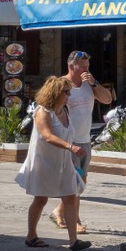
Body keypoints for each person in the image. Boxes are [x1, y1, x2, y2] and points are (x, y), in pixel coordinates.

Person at [16, 76, 91, 251]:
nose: (69, 96)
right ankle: (31, 236)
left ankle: (74, 241)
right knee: (41, 199)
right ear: (56, 93)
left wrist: (73, 152)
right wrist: (70, 147)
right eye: (66, 92)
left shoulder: (64, 110)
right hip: (44, 162)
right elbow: (47, 136)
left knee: (70, 196)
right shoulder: (43, 112)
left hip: (63, 162)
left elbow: (69, 133)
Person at [49, 50, 112, 232]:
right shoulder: (62, 85)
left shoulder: (88, 84)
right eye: (82, 66)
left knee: (80, 184)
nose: (86, 69)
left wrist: (94, 84)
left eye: (87, 66)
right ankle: (75, 221)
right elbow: (52, 111)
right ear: (71, 66)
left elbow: (107, 99)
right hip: (70, 142)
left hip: (85, 140)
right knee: (75, 183)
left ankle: (58, 211)